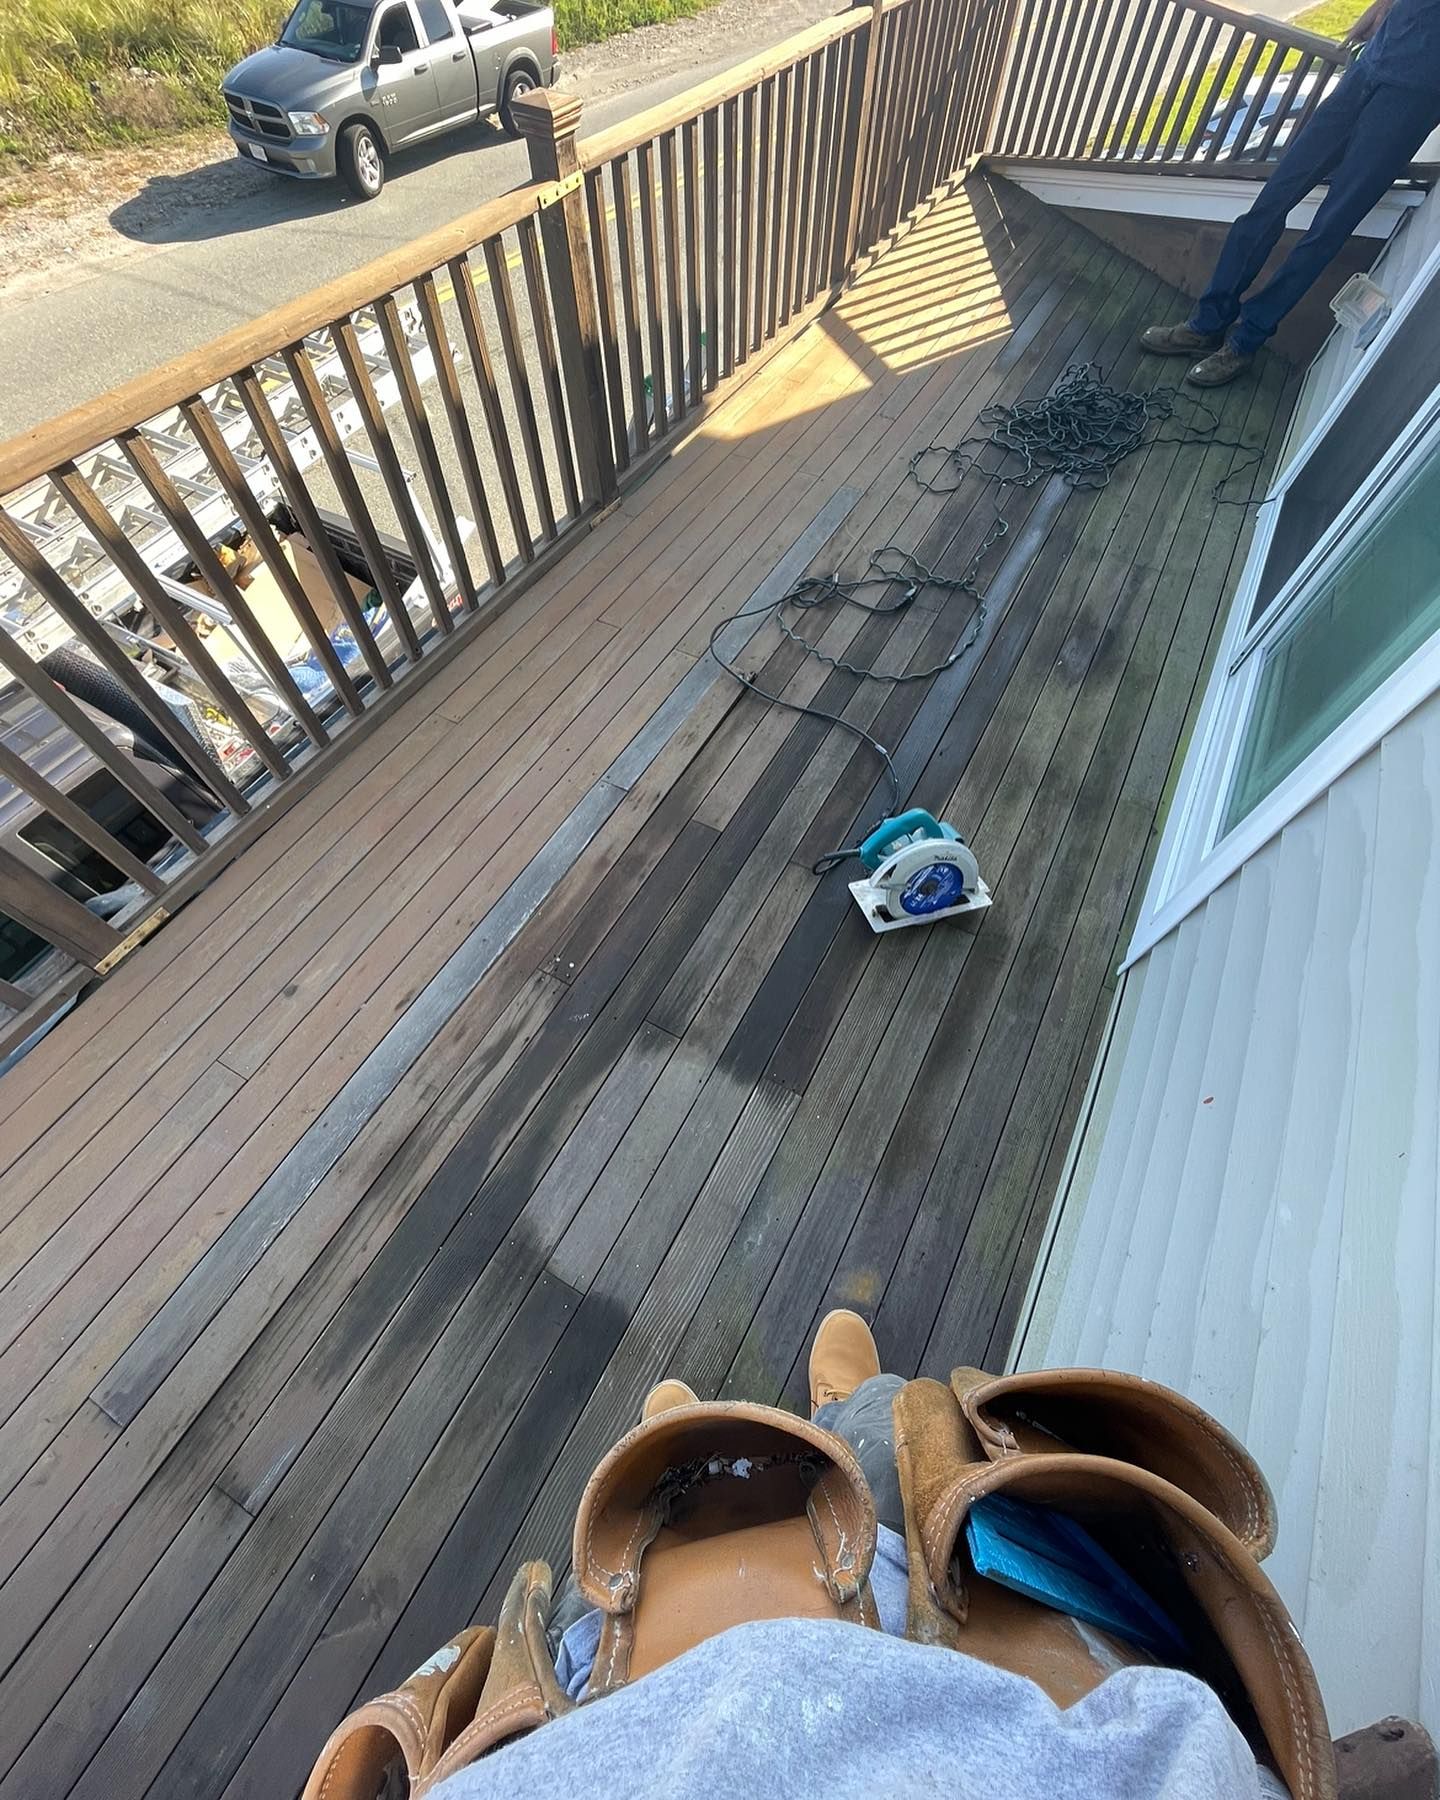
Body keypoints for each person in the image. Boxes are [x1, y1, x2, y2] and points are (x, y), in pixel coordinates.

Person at [1140, 0, 1440, 386]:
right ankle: (1205, 324)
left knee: (1327, 230)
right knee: (1271, 201)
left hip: (1414, 97)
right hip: (1370, 66)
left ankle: (1245, 343)